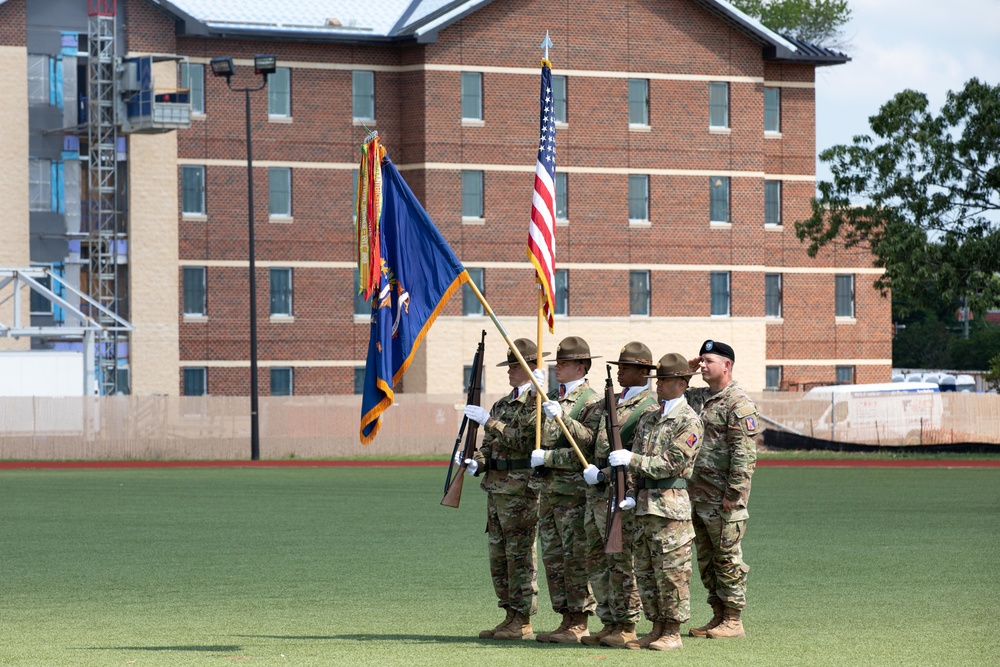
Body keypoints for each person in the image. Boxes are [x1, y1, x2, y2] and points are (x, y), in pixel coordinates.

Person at [606, 352, 703, 650]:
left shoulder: (689, 420)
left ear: (682, 383)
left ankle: (672, 631)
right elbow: (636, 466)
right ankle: (656, 627)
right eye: (658, 379)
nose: (658, 384)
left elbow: (670, 463)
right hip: (646, 506)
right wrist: (630, 495)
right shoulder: (650, 417)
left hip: (670, 508)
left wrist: (631, 459)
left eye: (665, 379)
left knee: (671, 573)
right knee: (647, 572)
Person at [459, 338, 548, 641]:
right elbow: (490, 446)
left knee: (520, 556)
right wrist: (476, 462)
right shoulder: (502, 403)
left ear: (530, 368)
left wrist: (489, 422)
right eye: (509, 366)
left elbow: (523, 439)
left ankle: (522, 620)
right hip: (497, 490)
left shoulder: (536, 402)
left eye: (515, 366)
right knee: (499, 557)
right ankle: (509, 614)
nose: (509, 371)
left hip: (521, 491)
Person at [580, 342, 659, 648]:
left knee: (621, 559)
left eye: (627, 367)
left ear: (643, 372)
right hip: (598, 489)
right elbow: (590, 438)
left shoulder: (648, 408)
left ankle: (626, 624)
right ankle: (609, 620)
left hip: (620, 489)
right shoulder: (610, 401)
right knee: (597, 559)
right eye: (620, 366)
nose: (622, 371)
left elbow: (641, 454)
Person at [528, 336, 603, 643]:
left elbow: (586, 446)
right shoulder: (550, 397)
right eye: (557, 361)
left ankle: (580, 620)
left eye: (565, 362)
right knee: (554, 558)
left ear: (581, 366)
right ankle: (565, 617)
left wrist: (550, 452)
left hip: (574, 494)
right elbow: (535, 436)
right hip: (550, 491)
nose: (557, 366)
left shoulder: (592, 402)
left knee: (576, 557)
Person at [684, 339, 760, 639]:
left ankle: (733, 618)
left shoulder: (738, 403)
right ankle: (717, 615)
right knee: (706, 560)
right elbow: (670, 395)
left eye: (708, 361)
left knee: (727, 559)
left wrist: (734, 495)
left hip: (723, 499)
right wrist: (685, 372)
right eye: (700, 361)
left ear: (726, 366)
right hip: (698, 496)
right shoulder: (700, 397)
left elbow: (744, 454)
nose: (702, 365)